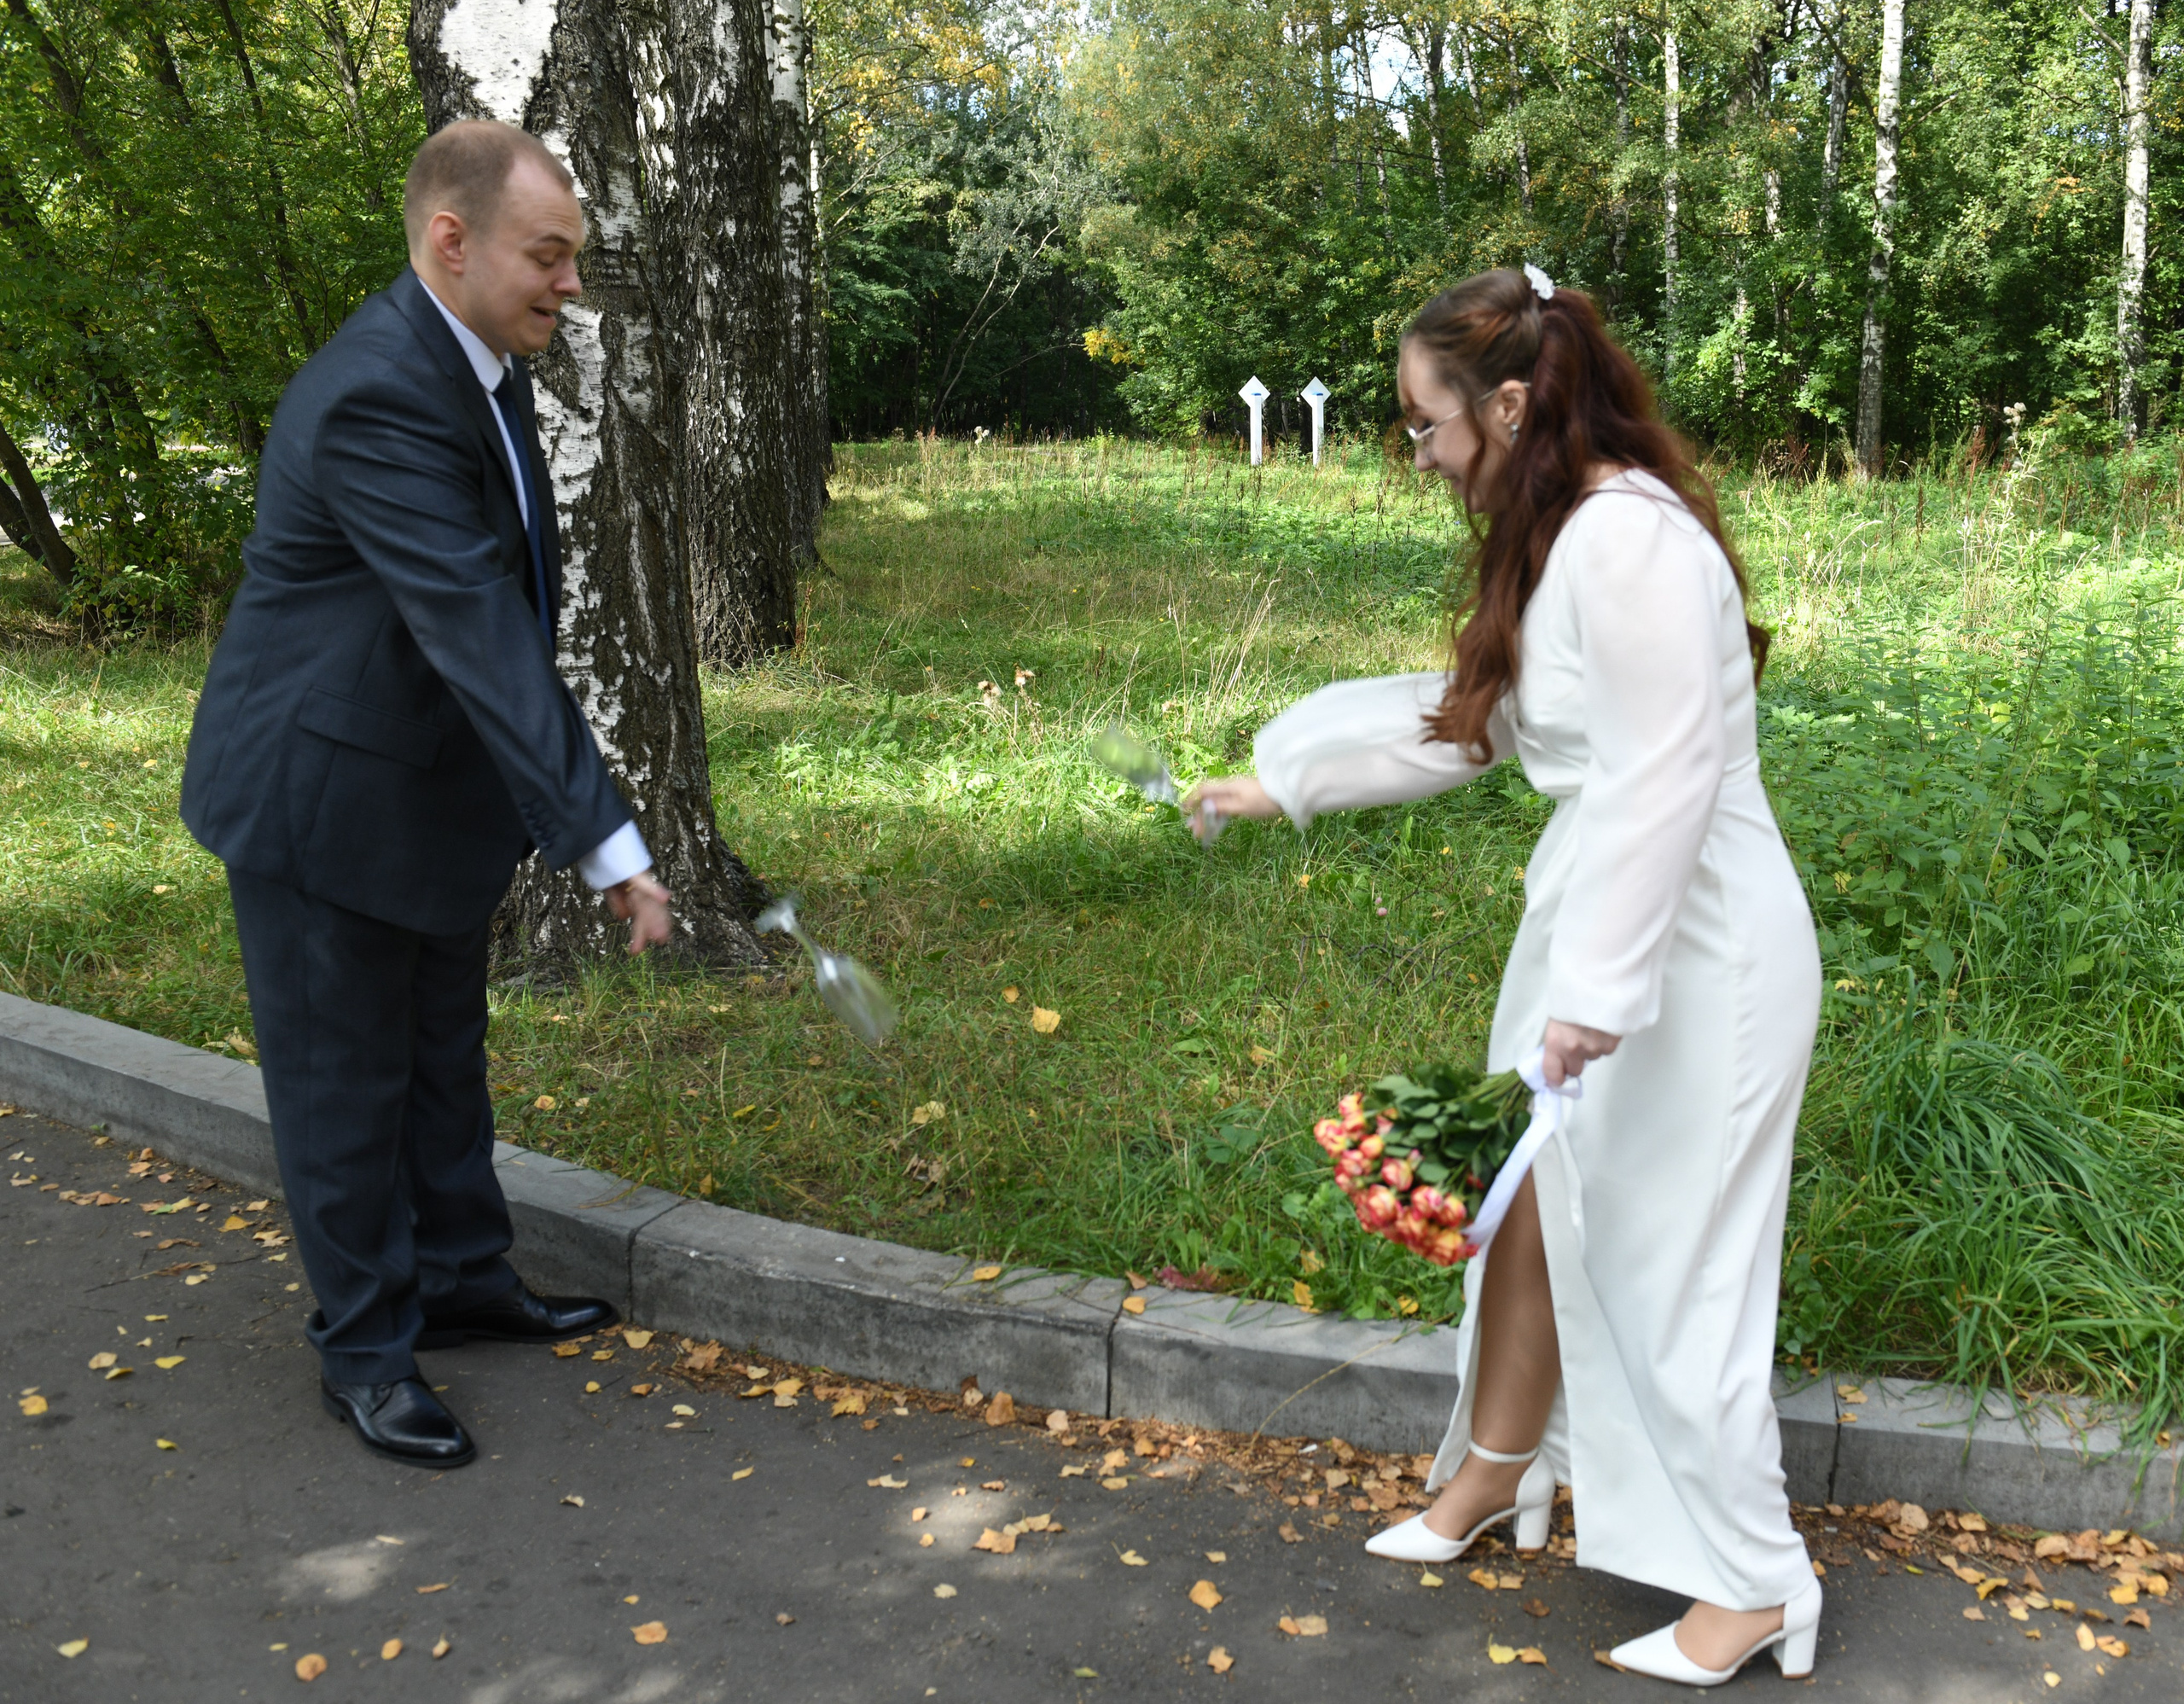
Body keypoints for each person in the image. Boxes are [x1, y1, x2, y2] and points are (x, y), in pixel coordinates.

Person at [1187, 265, 1825, 1685]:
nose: (1416, 453)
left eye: (1424, 424)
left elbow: (1667, 781)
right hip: (1604, 918)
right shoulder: (1562, 533)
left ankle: (1755, 1578)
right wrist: (1273, 785)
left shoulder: (1633, 545)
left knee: (1674, 1265)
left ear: (1514, 402)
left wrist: (1595, 994)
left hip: (1697, 949)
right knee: (1526, 1208)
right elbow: (1479, 728)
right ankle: (1500, 1464)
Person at [181, 121, 676, 1470]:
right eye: (549, 254)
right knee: (345, 1088)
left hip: (423, 794)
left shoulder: (484, 362)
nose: (569, 284)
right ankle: (365, 1351)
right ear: (451, 241)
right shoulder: (378, 391)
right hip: (317, 803)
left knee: (441, 1061)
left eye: (574, 256)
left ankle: (462, 1276)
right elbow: (477, 623)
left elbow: (492, 609)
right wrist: (608, 842)